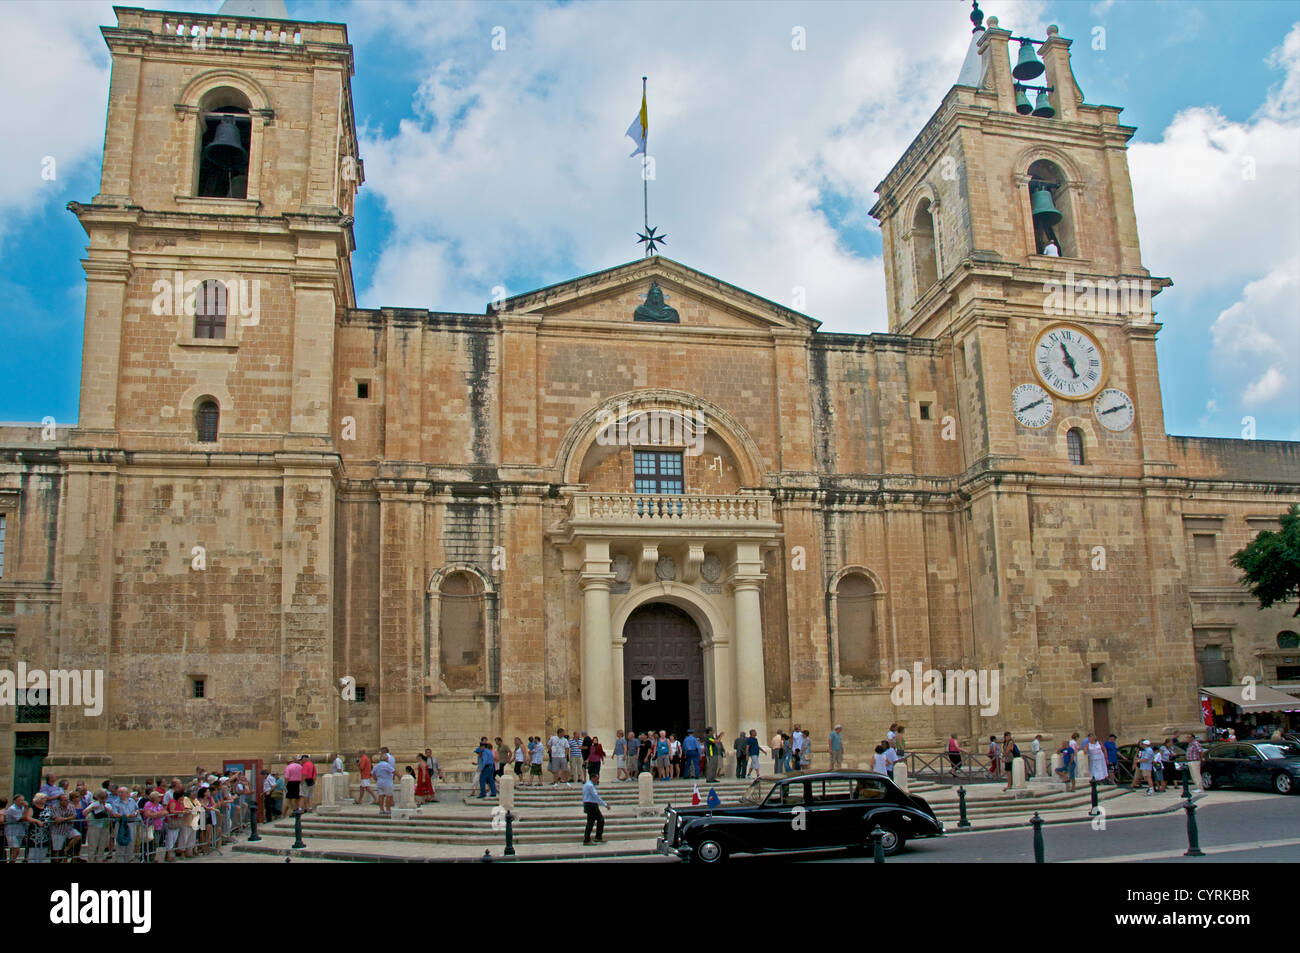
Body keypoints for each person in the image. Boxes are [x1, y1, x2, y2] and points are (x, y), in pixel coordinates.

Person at [581, 773, 609, 845]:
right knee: (590, 822)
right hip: (591, 805)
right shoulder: (590, 786)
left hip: (591, 804)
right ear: (592, 778)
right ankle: (586, 839)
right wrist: (605, 804)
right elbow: (596, 796)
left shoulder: (587, 784)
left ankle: (598, 837)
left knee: (600, 820)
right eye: (596, 779)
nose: (597, 780)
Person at [5, 794, 30, 863]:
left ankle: (12, 861)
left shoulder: (22, 808)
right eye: (20, 800)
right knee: (16, 850)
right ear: (15, 801)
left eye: (22, 800)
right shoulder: (13, 809)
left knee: (15, 851)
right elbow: (23, 818)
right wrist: (27, 808)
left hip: (20, 831)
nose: (22, 802)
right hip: (12, 832)